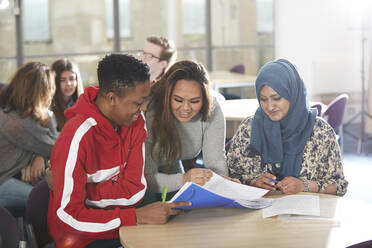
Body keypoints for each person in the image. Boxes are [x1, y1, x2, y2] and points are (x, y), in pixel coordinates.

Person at [47, 53, 190, 248]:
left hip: (123, 227)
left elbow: (134, 191)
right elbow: (69, 216)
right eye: (137, 103)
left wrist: (85, 194)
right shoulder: (76, 136)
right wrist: (134, 215)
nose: (143, 109)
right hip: (80, 238)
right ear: (112, 98)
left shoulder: (136, 123)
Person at [227, 59, 348, 196]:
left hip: (306, 214)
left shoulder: (320, 131)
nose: (270, 107)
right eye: (263, 99)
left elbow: (339, 186)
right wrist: (252, 182)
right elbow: (229, 177)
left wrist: (304, 185)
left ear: (293, 94)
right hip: (257, 212)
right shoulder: (249, 128)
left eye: (276, 98)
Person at [145, 60, 229, 198]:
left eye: (195, 101)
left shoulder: (212, 108)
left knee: (184, 210)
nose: (186, 108)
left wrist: (223, 184)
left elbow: (216, 162)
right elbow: (146, 178)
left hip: (171, 161)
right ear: (167, 96)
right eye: (178, 100)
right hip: (141, 175)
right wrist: (183, 179)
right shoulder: (150, 111)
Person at [0, 62, 58, 217]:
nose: (53, 92)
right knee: (44, 199)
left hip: (10, 178)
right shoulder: (12, 120)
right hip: (2, 183)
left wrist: (38, 154)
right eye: (50, 87)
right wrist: (41, 152)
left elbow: (45, 141)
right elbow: (56, 147)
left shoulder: (18, 111)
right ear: (39, 91)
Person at [51, 58, 84, 131]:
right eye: (62, 80)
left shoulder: (84, 104)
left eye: (72, 79)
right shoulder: (49, 107)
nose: (68, 84)